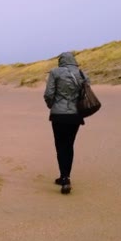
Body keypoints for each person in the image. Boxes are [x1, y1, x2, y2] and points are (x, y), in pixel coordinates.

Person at [43, 51, 89, 194]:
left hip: (59, 115)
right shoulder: (82, 74)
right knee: (69, 145)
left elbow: (48, 94)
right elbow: (85, 92)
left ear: (61, 61)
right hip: (75, 115)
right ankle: (66, 176)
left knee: (60, 145)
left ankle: (64, 178)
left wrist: (53, 106)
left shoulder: (55, 72)